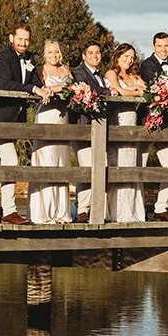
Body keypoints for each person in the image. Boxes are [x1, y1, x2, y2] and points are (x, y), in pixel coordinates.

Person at [0, 22, 44, 224]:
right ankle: (9, 212)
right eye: (20, 39)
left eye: (27, 39)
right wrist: (32, 90)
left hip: (16, 119)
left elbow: (36, 81)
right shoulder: (3, 57)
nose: (24, 43)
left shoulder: (30, 58)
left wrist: (44, 88)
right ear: (12, 38)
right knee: (10, 160)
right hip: (0, 117)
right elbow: (4, 84)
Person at [140, 32, 168, 220]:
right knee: (139, 166)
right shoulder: (147, 65)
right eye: (160, 46)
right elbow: (153, 86)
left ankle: (160, 208)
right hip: (147, 121)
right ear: (153, 46)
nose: (164, 49)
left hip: (167, 123)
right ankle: (137, 208)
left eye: (166, 46)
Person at [30, 40, 73, 224]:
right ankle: (44, 212)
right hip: (46, 116)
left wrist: (55, 89)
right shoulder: (40, 70)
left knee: (61, 163)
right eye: (50, 52)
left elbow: (73, 88)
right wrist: (50, 90)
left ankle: (61, 212)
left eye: (56, 52)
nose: (53, 55)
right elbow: (38, 90)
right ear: (44, 54)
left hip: (63, 118)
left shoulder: (66, 70)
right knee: (46, 161)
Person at [103, 43, 146, 222]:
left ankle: (130, 211)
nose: (129, 60)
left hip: (131, 122)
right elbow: (118, 91)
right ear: (118, 57)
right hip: (117, 121)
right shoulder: (111, 73)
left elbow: (146, 91)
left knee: (130, 163)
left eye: (132, 57)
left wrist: (136, 90)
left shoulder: (134, 76)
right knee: (116, 164)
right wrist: (136, 92)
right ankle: (115, 212)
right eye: (126, 56)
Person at [71, 41, 109, 222]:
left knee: (101, 167)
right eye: (91, 52)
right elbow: (91, 89)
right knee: (87, 168)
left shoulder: (101, 75)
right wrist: (110, 91)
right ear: (84, 56)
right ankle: (82, 210)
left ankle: (96, 207)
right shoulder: (78, 72)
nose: (95, 55)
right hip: (83, 127)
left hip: (101, 129)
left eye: (98, 52)